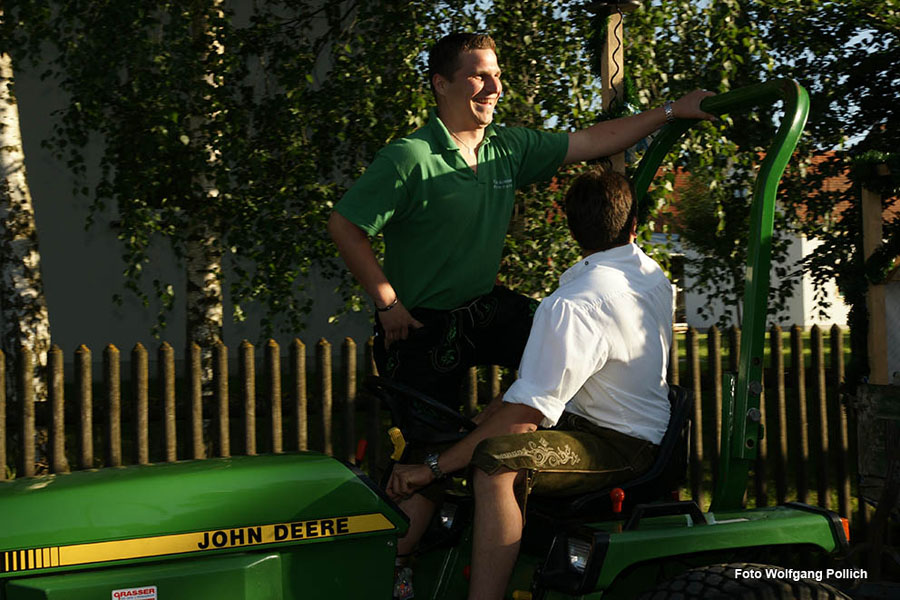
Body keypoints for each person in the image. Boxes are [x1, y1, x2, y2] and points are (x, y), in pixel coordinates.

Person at [327, 32, 713, 410]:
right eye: (479, 76)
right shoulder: (408, 158)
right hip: (418, 323)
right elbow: (344, 226)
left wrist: (672, 111)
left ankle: (561, 440)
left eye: (497, 75)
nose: (494, 87)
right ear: (441, 84)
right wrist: (387, 303)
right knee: (424, 453)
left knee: (570, 344)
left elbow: (594, 141)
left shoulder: (506, 148)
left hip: (483, 307)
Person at [386, 168, 675, 600]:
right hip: (618, 426)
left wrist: (430, 469)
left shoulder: (573, 305)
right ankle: (399, 572)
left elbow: (523, 421)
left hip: (619, 443)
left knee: (495, 462)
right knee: (457, 438)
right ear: (634, 225)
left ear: (572, 228)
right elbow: (563, 378)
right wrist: (491, 412)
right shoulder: (652, 277)